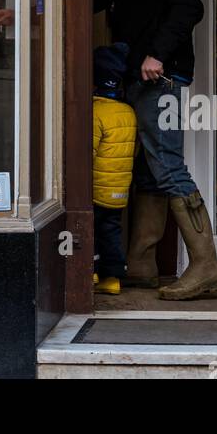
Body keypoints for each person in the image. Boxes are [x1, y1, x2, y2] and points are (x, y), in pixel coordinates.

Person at [94, 0, 217, 301]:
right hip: (137, 72)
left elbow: (190, 7)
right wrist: (25, 9)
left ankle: (205, 265)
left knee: (166, 165)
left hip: (160, 74)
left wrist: (156, 55)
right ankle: (142, 265)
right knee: (150, 168)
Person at [92, 43, 137, 296]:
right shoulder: (128, 112)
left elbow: (88, 152)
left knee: (92, 229)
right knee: (112, 230)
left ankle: (92, 271)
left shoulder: (95, 112)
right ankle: (114, 277)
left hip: (96, 186)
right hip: (119, 190)